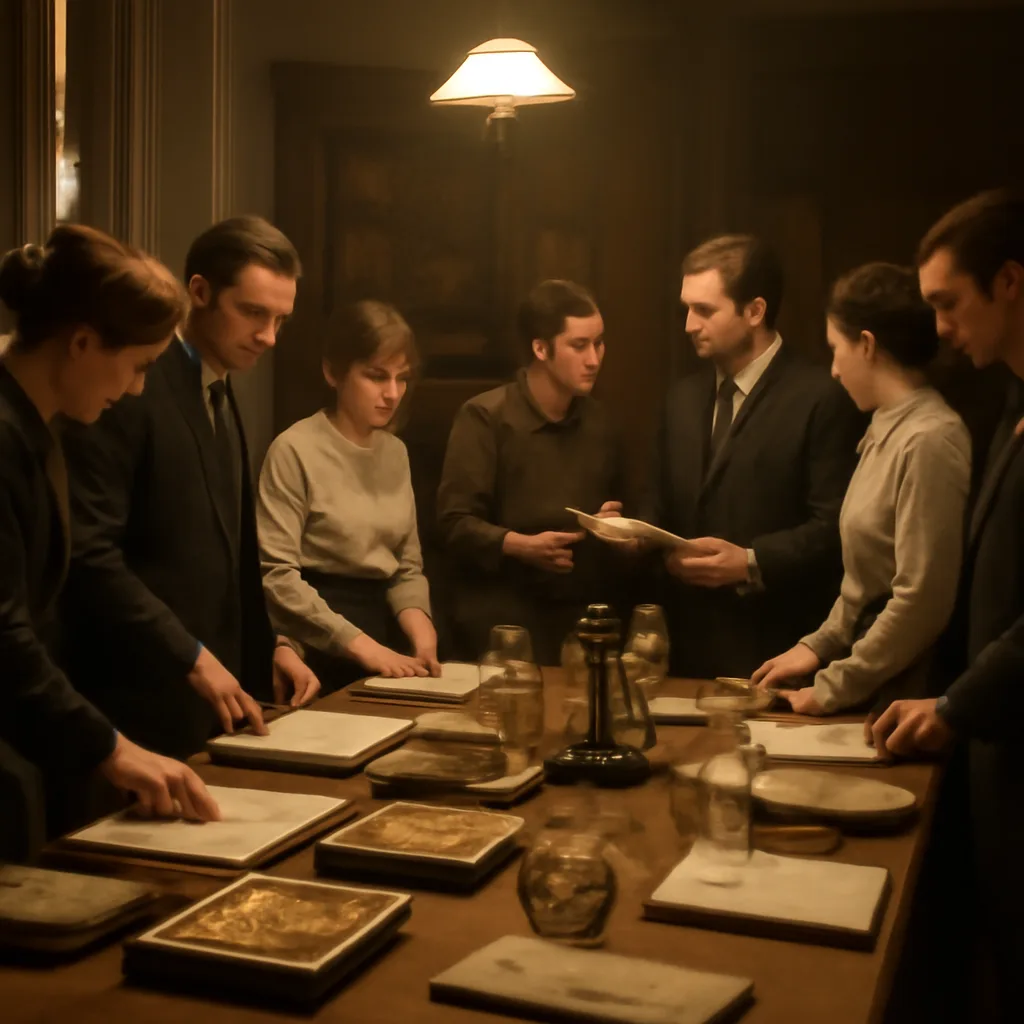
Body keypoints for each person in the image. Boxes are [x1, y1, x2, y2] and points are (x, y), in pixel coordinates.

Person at [61, 216, 319, 762]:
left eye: (281, 320)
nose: (269, 337)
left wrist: (269, 645)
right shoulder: (128, 384)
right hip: (131, 702)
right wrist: (191, 657)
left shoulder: (222, 391)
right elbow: (91, 553)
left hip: (207, 702)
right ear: (198, 292)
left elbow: (231, 553)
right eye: (252, 312)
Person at [0, 224, 219, 829]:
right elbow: (5, 634)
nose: (137, 388)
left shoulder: (37, 426)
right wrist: (112, 748)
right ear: (82, 344)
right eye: (139, 366)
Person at [870, 188, 1024, 1020]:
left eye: (947, 303)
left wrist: (959, 702)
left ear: (1009, 282)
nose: (938, 329)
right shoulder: (1008, 401)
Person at [751, 263, 970, 714]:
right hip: (873, 678)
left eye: (836, 350)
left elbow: (920, 601)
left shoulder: (929, 438)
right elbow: (864, 584)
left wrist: (833, 685)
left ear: (867, 345)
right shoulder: (884, 427)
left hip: (902, 690)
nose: (832, 370)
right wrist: (817, 645)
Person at [649, 234, 862, 679]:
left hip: (776, 651)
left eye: (704, 310)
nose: (688, 324)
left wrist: (750, 561)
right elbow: (661, 500)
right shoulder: (681, 399)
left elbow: (835, 526)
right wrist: (636, 535)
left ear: (755, 311)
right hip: (684, 656)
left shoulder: (821, 397)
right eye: (687, 308)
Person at [437, 280, 626, 665]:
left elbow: (625, 513)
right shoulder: (486, 417)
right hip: (500, 623)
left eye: (599, 343)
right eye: (579, 345)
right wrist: (521, 546)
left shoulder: (601, 423)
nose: (594, 359)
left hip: (581, 620)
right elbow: (453, 524)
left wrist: (616, 526)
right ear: (541, 348)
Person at [257, 300, 438, 693]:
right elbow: (277, 576)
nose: (392, 393)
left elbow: (406, 569)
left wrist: (423, 639)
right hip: (313, 637)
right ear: (333, 372)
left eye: (402, 378)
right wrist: (362, 647)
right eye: (376, 376)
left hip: (381, 632)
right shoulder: (294, 449)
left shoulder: (395, 453)